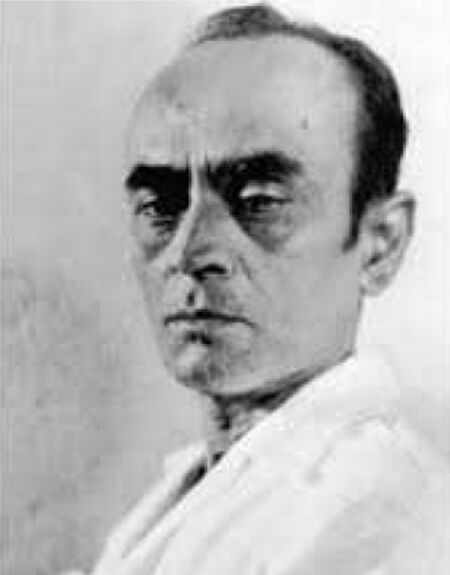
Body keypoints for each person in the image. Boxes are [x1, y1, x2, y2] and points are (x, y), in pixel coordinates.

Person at [73, 4, 449, 574]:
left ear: (382, 243)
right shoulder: (203, 479)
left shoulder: (382, 513)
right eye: (159, 205)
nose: (189, 252)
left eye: (260, 202)